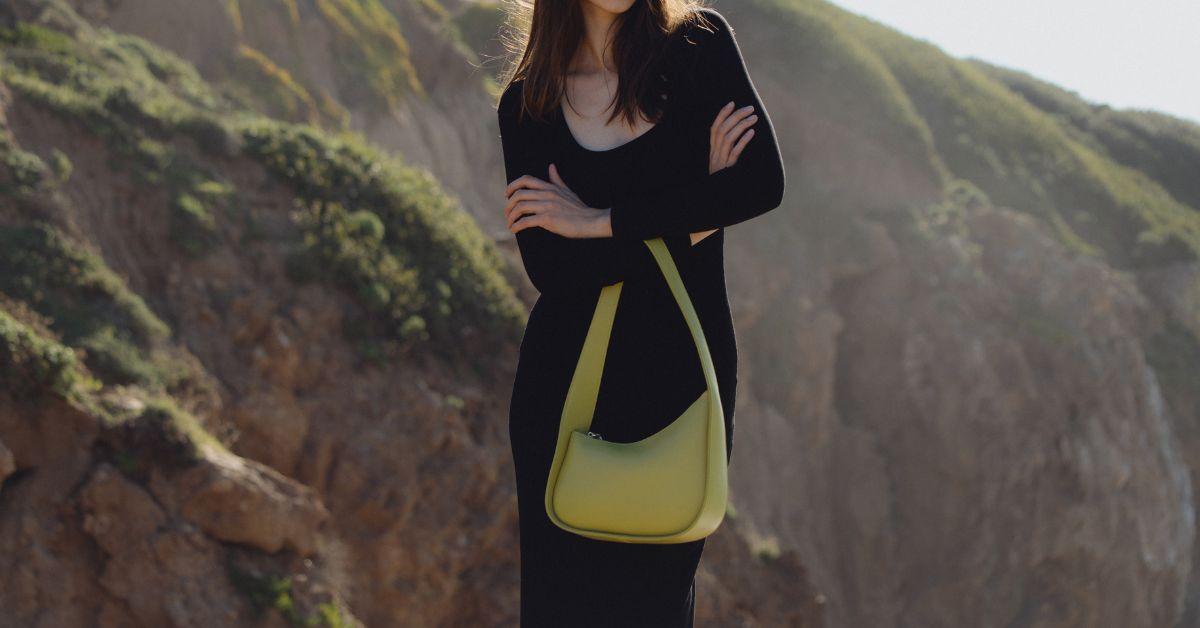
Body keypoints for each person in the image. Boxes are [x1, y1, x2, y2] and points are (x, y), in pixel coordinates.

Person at [497, 0, 785, 624]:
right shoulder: (528, 104)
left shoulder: (699, 47)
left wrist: (597, 222)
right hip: (565, 390)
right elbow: (555, 272)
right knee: (560, 609)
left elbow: (761, 186)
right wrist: (698, 212)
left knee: (656, 607)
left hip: (680, 376)